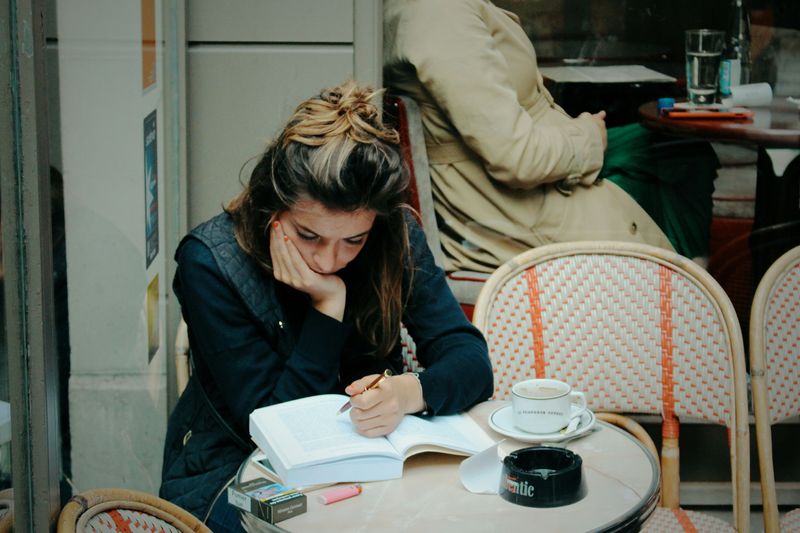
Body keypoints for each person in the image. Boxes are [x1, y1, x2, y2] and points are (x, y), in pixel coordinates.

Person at [159, 81, 494, 530]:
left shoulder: (394, 234)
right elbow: (273, 426)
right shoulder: (211, 262)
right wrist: (327, 305)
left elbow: (470, 360)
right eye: (309, 235)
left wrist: (407, 393)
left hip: (374, 459)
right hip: (235, 469)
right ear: (271, 206)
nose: (328, 259)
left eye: (353, 239)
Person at [383, 0, 720, 273]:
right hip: (514, 205)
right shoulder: (439, 13)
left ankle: (687, 278)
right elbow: (516, 158)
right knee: (671, 159)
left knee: (677, 149)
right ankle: (681, 293)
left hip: (538, 158)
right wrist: (588, 139)